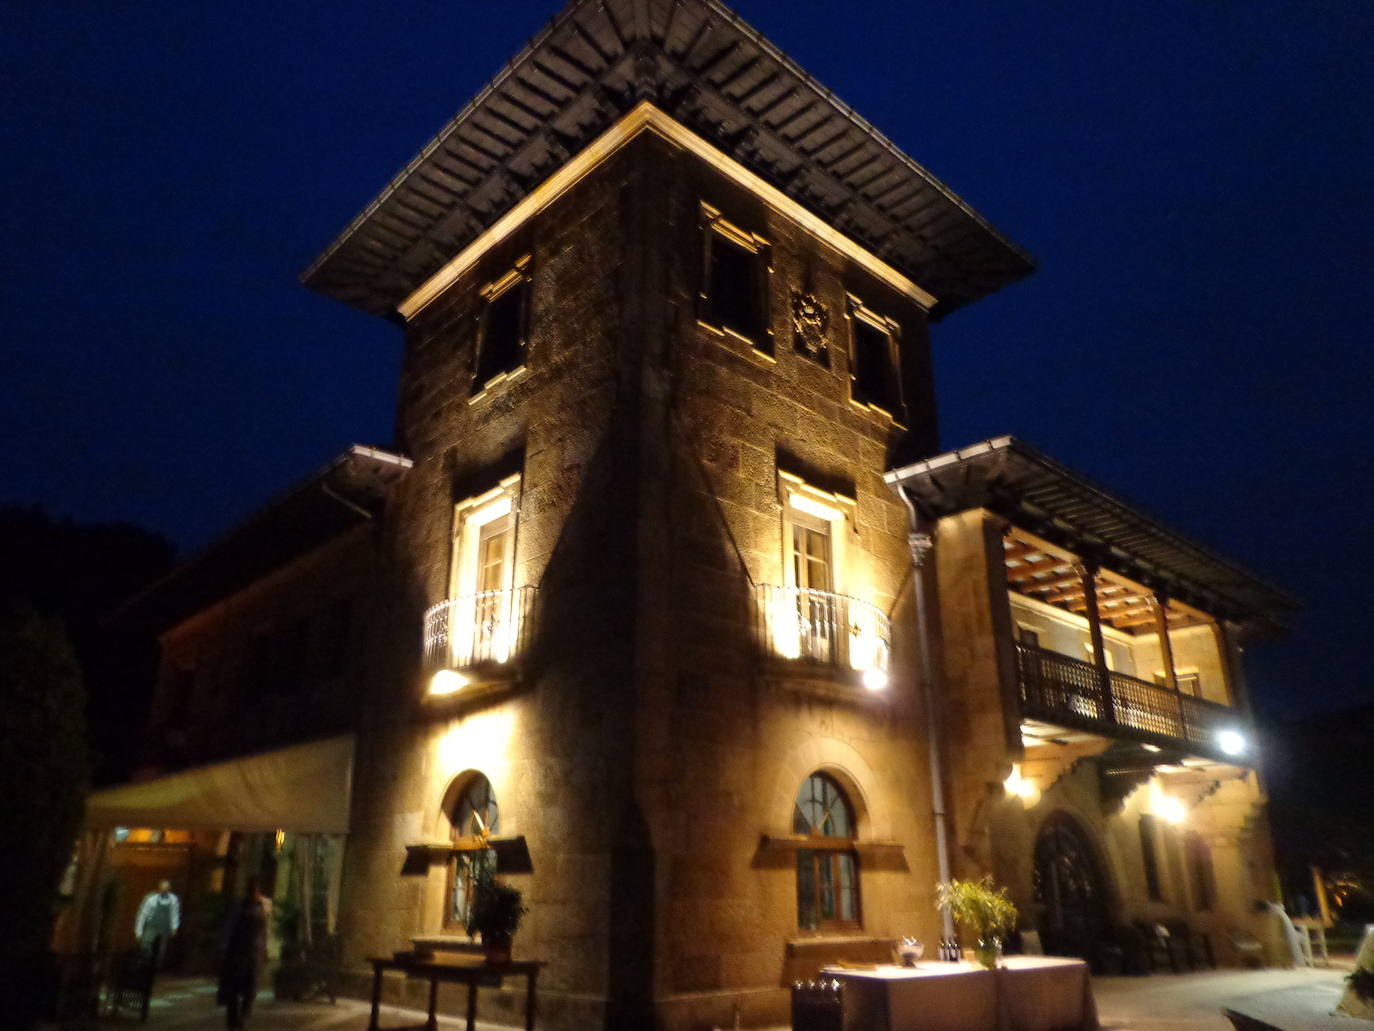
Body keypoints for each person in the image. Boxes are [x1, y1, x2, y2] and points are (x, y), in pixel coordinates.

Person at [218, 877, 270, 1029]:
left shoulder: (261, 908)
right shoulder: (240, 908)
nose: (256, 893)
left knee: (250, 988)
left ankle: (243, 1015)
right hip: (238, 951)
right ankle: (234, 1018)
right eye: (254, 891)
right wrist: (223, 946)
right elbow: (229, 927)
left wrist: (264, 948)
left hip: (253, 952)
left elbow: (263, 931)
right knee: (234, 986)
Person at [133, 879, 181, 967]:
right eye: (163, 888)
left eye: (167, 889)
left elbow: (174, 913)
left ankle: (156, 966)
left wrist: (174, 927)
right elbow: (143, 915)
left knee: (161, 949)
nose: (165, 891)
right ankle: (145, 963)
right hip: (152, 926)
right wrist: (138, 932)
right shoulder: (151, 899)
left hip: (164, 927)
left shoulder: (173, 900)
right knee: (146, 945)